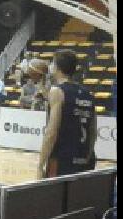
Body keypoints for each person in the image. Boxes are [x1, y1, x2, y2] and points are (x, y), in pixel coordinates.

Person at [38, 50, 97, 179]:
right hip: (85, 159)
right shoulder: (88, 94)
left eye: (52, 63)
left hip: (62, 160)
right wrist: (87, 155)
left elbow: (51, 132)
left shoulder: (57, 91)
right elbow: (93, 131)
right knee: (79, 198)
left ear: (57, 68)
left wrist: (41, 164)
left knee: (55, 198)